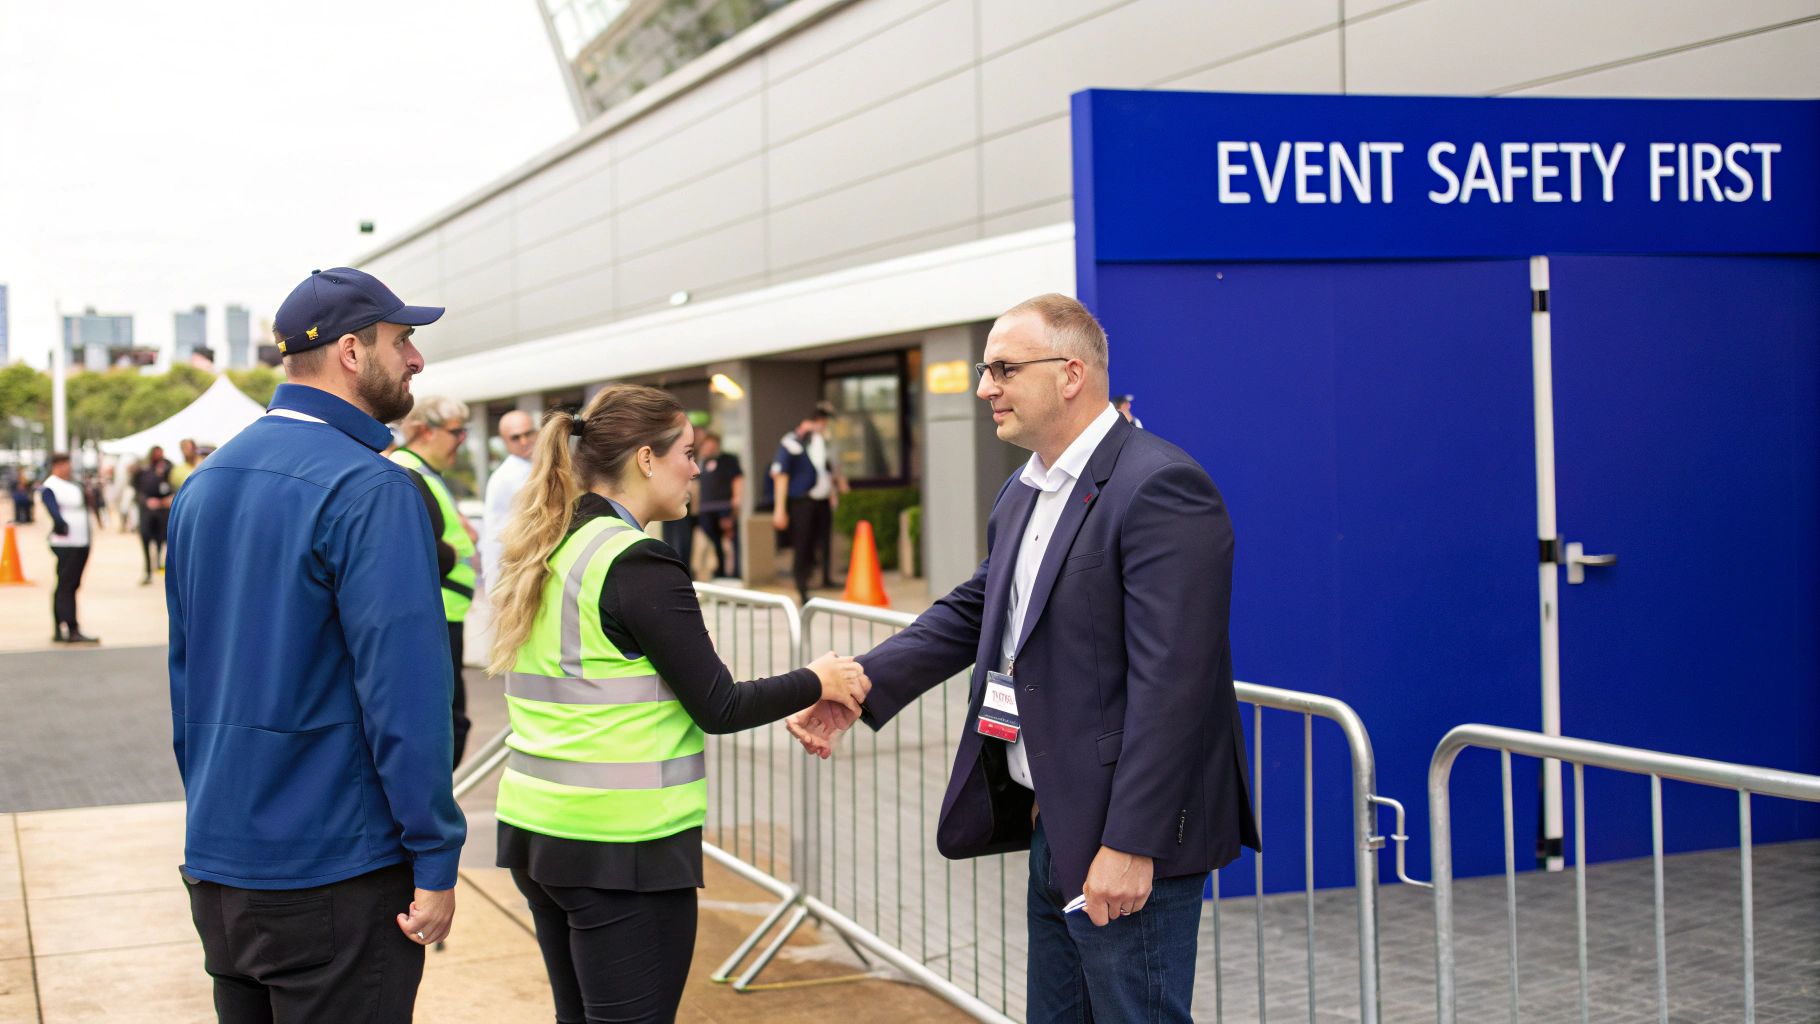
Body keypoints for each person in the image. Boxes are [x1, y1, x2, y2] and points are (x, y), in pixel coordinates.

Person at [788, 294, 1259, 1023]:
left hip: (1128, 841)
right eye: (985, 370)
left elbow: (1177, 686)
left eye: (1003, 369)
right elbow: (974, 611)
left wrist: (1132, 844)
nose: (984, 389)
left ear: (1071, 374)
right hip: (1055, 821)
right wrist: (859, 685)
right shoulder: (1024, 490)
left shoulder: (1160, 487)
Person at [488, 383, 870, 1024]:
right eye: (687, 452)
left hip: (538, 832)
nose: (697, 467)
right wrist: (818, 677)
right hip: (621, 846)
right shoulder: (636, 561)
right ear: (645, 458)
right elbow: (720, 706)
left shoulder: (552, 542)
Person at [165, 267, 465, 1021]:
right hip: (336, 871)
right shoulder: (373, 489)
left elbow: (186, 679)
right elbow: (406, 694)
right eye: (404, 341)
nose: (417, 361)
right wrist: (434, 856)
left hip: (223, 863)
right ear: (352, 353)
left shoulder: (204, 485)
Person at [392, 396, 481, 769]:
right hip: (436, 614)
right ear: (424, 431)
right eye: (456, 431)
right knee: (445, 723)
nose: (461, 440)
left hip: (448, 612)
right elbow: (415, 545)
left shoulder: (424, 472)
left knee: (450, 720)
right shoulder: (405, 471)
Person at [769, 407, 843, 604]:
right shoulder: (792, 442)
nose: (823, 427)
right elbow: (780, 475)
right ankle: (802, 586)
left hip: (823, 500)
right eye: (822, 422)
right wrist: (779, 508)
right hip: (803, 501)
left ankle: (825, 577)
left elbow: (826, 470)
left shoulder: (822, 443)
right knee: (803, 544)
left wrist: (833, 492)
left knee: (824, 542)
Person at [39, 453, 99, 644]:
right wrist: (61, 524)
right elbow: (52, 509)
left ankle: (61, 625)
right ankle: (70, 626)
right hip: (67, 542)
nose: (69, 468)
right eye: (65, 464)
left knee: (69, 584)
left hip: (80, 541)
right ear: (57, 465)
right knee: (66, 585)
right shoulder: (51, 486)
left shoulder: (72, 484)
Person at [480, 409, 537, 588]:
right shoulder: (503, 479)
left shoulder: (541, 465)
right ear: (505, 442)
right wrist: (494, 587)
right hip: (518, 571)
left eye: (528, 433)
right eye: (515, 437)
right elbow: (493, 537)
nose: (524, 441)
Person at [694, 431, 743, 580]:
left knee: (731, 540)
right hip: (706, 509)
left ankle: (735, 573)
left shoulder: (728, 460)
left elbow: (738, 478)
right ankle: (720, 569)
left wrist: (737, 499)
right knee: (714, 541)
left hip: (724, 507)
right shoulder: (700, 462)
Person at [134, 446, 173, 583]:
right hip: (147, 512)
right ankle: (148, 570)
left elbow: (171, 488)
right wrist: (147, 501)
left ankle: (160, 564)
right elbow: (138, 491)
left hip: (163, 512)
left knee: (163, 540)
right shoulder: (144, 472)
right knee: (146, 538)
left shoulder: (168, 468)